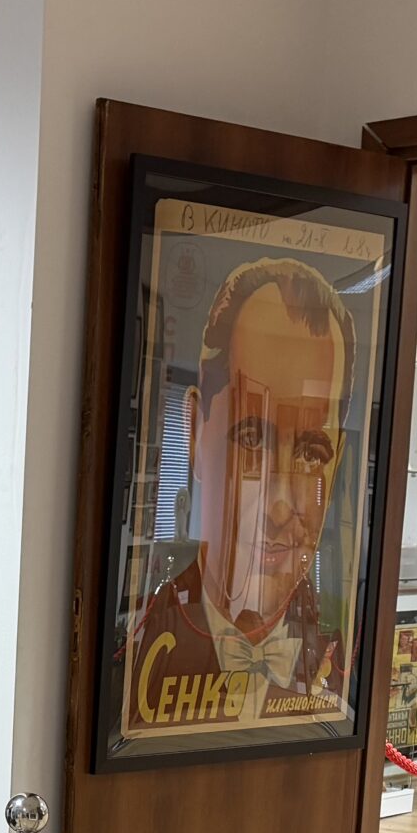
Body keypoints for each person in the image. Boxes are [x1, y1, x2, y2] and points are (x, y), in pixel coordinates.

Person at [123, 255, 356, 735]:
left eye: (311, 452)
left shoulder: (340, 656)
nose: (279, 506)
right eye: (251, 439)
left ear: (335, 466)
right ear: (194, 432)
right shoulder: (138, 643)